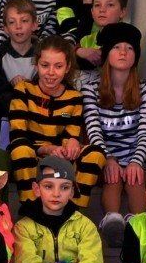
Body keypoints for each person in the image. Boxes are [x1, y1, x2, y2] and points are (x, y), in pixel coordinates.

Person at [6, 39, 105, 209]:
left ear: (67, 68)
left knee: (95, 153)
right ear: (36, 64)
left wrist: (72, 143)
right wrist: (47, 149)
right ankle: (31, 208)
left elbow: (71, 134)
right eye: (45, 65)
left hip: (61, 155)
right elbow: (18, 134)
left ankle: (72, 211)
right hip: (32, 154)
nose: (51, 72)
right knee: (20, 149)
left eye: (58, 66)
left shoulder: (75, 97)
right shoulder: (23, 90)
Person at [85, 23, 146, 237]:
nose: (123, 52)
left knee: (135, 178)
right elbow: (93, 130)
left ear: (136, 55)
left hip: (136, 157)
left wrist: (136, 161)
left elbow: (145, 131)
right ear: (107, 53)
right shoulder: (90, 90)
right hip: (104, 157)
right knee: (113, 177)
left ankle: (138, 226)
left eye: (130, 48)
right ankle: (113, 220)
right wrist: (108, 159)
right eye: (117, 47)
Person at [15, 155, 105, 263]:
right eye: (48, 186)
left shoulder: (85, 225)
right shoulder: (24, 227)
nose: (56, 194)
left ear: (72, 191)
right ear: (36, 189)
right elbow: (27, 262)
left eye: (64, 187)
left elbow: (91, 261)